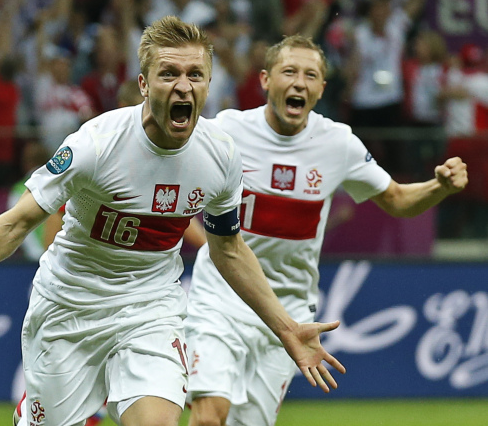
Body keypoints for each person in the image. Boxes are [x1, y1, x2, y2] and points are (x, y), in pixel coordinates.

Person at [0, 17, 344, 426]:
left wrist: (285, 327)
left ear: (209, 83)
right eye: (169, 74)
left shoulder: (220, 156)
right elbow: (15, 225)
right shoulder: (96, 144)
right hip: (69, 305)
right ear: (143, 83)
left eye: (196, 74)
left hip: (150, 308)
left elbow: (229, 248)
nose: (183, 86)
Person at [184, 34, 468, 426]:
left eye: (310, 74)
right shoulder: (226, 131)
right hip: (220, 298)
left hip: (290, 313)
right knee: (207, 417)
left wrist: (440, 186)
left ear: (321, 88)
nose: (299, 81)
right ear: (266, 80)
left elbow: (399, 199)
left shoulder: (338, 143)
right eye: (289, 71)